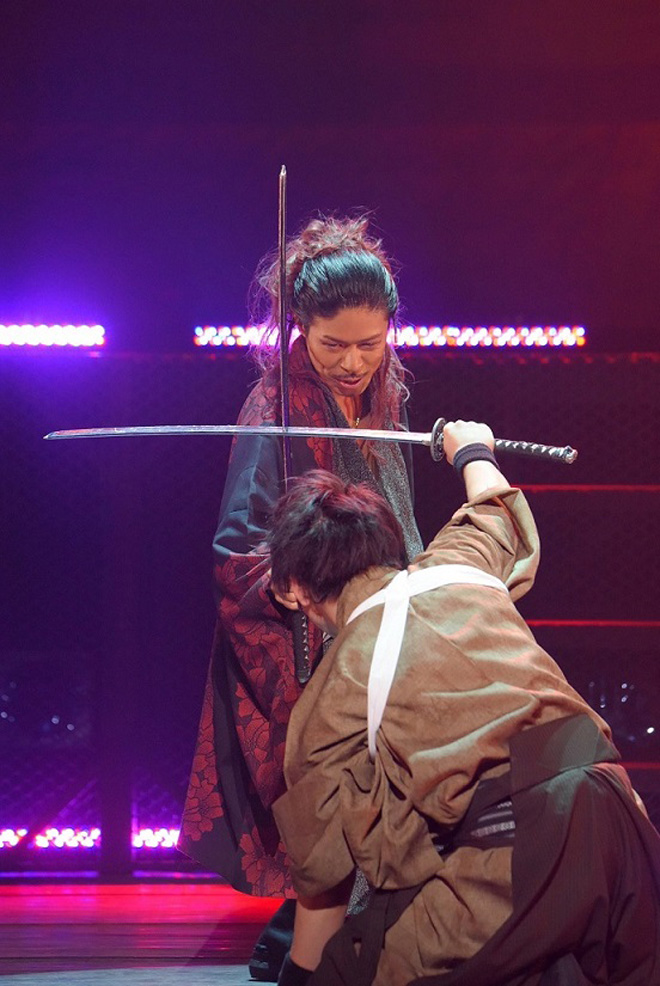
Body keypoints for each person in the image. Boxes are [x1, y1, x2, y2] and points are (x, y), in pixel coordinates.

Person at [269, 422, 660, 986]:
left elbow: (324, 886)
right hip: (625, 822)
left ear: (294, 589)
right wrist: (471, 448)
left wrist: (303, 976)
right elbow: (493, 508)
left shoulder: (330, 697)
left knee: (350, 971)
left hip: (521, 849)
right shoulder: (461, 567)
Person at [177, 216, 424, 980]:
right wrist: (292, 590)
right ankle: (296, 950)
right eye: (333, 344)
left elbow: (395, 516)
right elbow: (238, 550)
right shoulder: (274, 408)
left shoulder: (383, 397)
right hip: (309, 641)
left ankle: (303, 943)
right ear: (301, 328)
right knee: (330, 798)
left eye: (369, 343)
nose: (353, 362)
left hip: (382, 630)